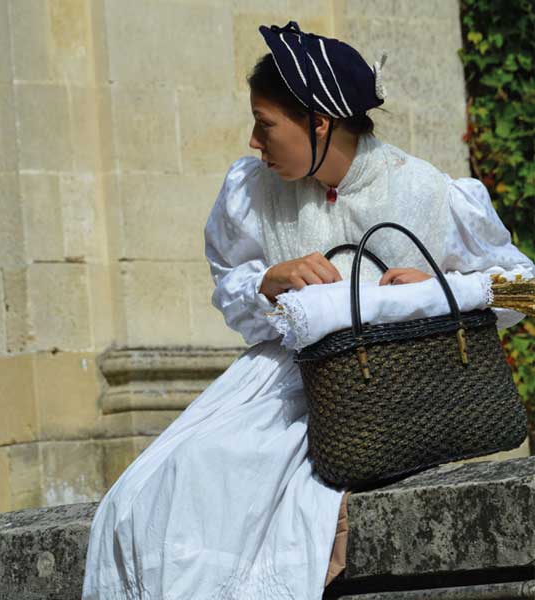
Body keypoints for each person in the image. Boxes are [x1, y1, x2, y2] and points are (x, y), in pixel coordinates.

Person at [82, 21, 535, 600]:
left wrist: (440, 288)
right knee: (156, 488)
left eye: (265, 124)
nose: (253, 141)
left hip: (398, 393)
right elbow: (231, 289)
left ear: (319, 123)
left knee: (247, 483)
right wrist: (268, 281)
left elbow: (523, 292)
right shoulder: (253, 191)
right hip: (282, 381)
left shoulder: (429, 193)